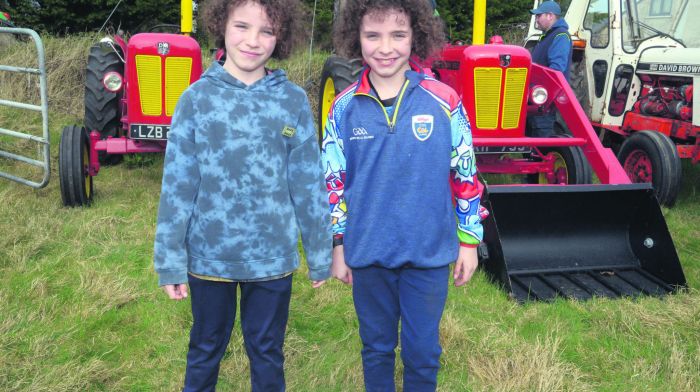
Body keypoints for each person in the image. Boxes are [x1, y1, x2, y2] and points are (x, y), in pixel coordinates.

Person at [153, 0, 331, 390]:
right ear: (221, 25)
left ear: (280, 37)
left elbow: (308, 183)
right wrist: (170, 260)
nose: (253, 41)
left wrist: (320, 254)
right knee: (205, 348)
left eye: (266, 31)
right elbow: (177, 186)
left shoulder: (293, 101)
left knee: (267, 351)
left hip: (272, 260)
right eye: (242, 27)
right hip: (209, 257)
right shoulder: (196, 99)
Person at [322, 1, 484, 391]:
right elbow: (333, 184)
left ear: (416, 35)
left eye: (398, 35)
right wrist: (338, 244)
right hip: (369, 254)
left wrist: (469, 240)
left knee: (423, 352)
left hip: (427, 254)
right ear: (355, 38)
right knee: (376, 348)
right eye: (372, 35)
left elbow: (466, 172)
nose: (385, 47)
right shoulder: (342, 109)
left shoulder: (444, 100)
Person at [528, 0, 572, 137]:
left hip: (545, 102)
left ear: (550, 16)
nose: (536, 19)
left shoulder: (560, 36)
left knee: (542, 137)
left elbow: (556, 70)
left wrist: (542, 95)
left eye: (538, 16)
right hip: (537, 98)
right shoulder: (547, 36)